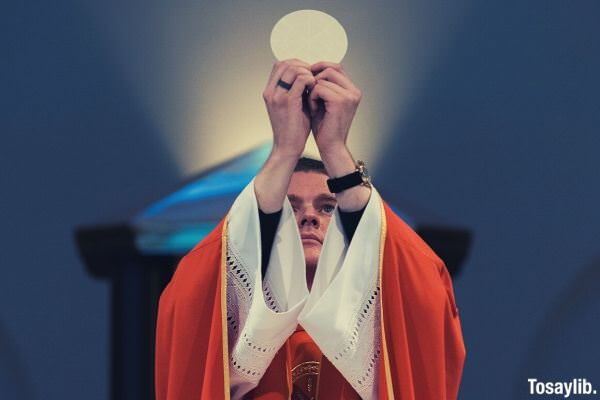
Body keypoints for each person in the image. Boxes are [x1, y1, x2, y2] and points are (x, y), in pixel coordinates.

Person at [155, 59, 466, 400]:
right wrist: (283, 151)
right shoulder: (238, 328)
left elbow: (424, 287)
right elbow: (189, 296)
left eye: (327, 206)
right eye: (289, 207)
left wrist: (335, 150)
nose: (308, 217)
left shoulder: (376, 329)